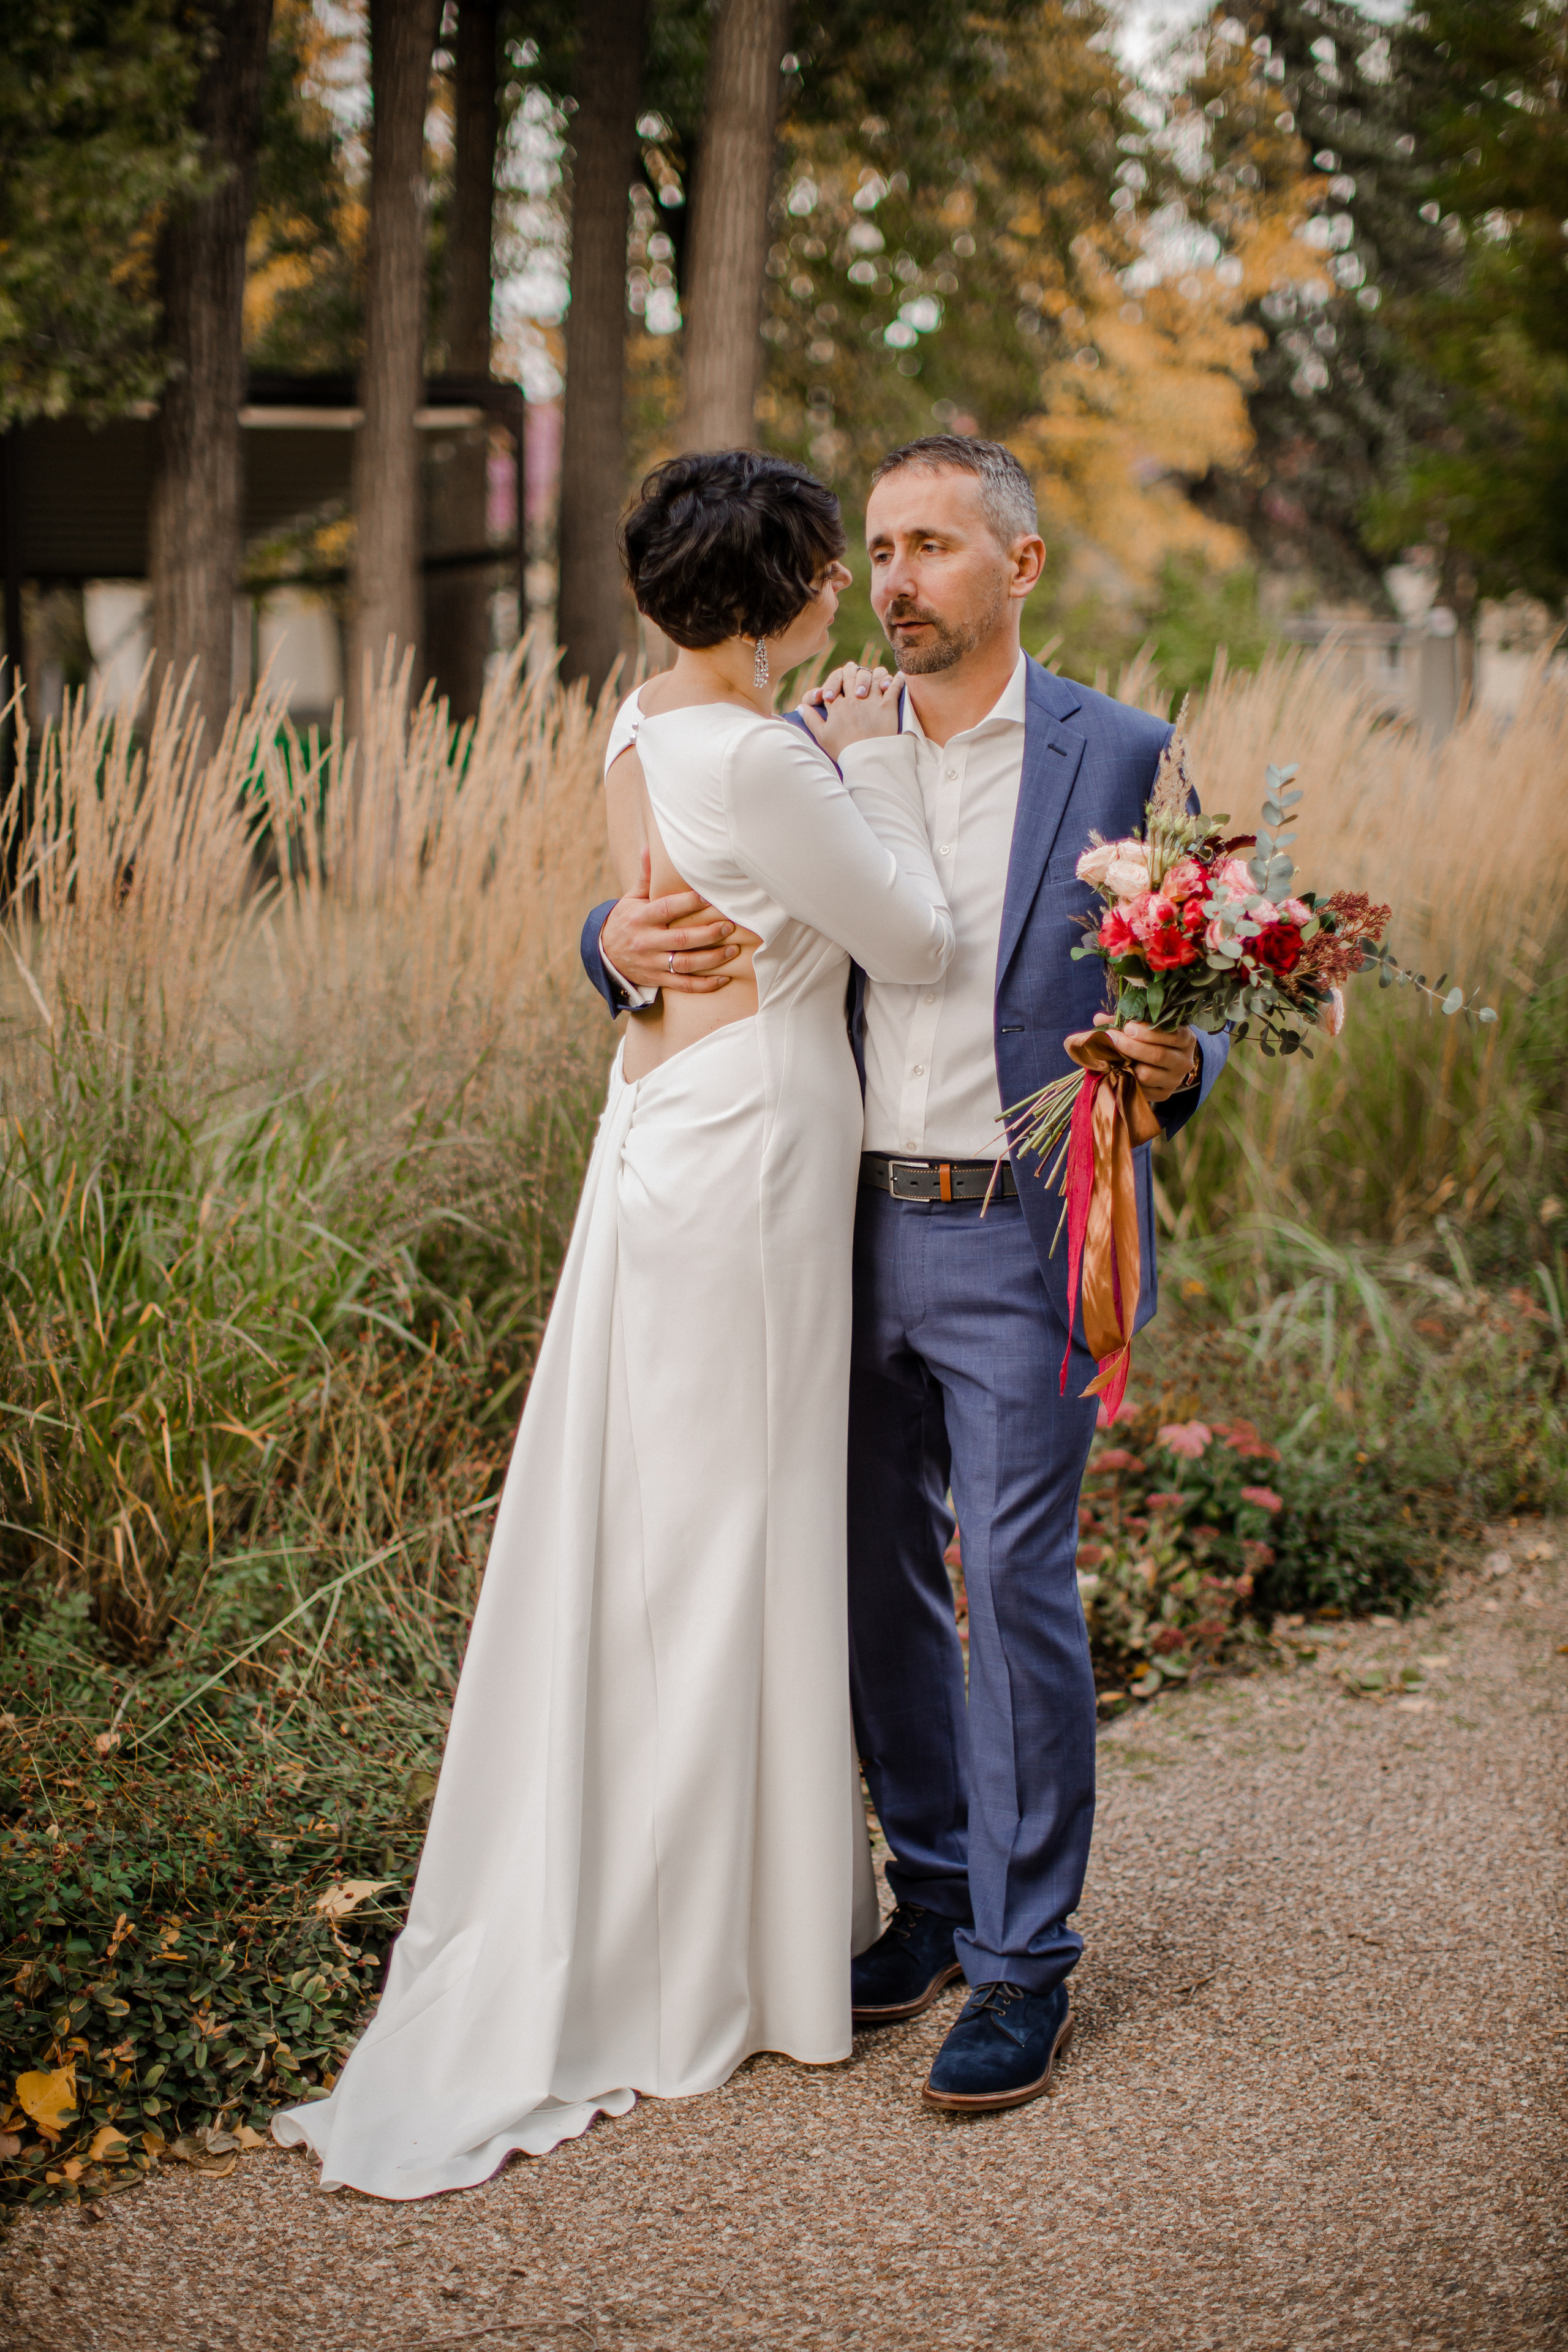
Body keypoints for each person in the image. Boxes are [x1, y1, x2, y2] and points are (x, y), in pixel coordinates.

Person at [273, 451, 955, 2199]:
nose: (846, 592)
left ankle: (690, 1910)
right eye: (832, 566)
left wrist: (635, 928)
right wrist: (871, 756)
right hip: (747, 1159)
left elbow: (655, 923)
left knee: (659, 1527)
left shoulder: (641, 724)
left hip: (663, 1131)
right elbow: (919, 938)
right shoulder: (764, 750)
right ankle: (713, 1955)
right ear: (794, 586)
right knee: (734, 1535)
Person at [581, 436, 1227, 2114]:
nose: (894, 578)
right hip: (824, 1226)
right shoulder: (803, 741)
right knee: (865, 1583)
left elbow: (1197, 962)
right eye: (878, 548)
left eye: (933, 546)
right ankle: (933, 1897)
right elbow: (688, 885)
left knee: (1009, 1584)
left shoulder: (1123, 753)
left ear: (1018, 567)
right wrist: (605, 943)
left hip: (1020, 1234)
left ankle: (1025, 1965)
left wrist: (1186, 1056)